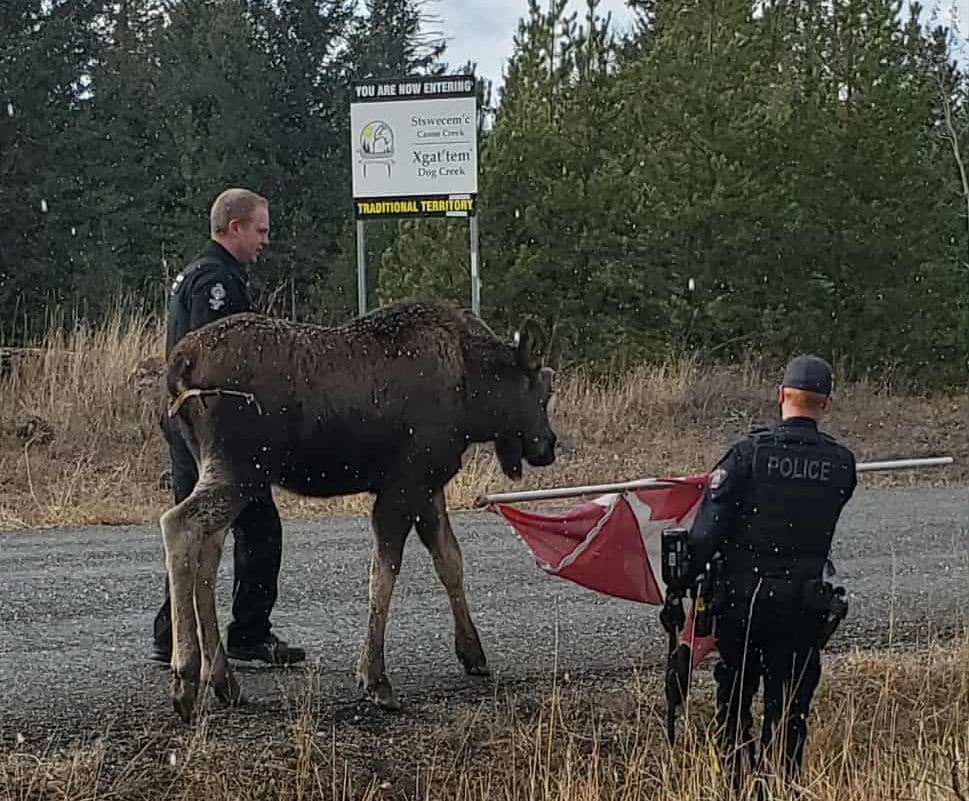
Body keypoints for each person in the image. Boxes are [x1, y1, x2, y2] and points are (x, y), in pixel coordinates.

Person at [670, 355, 857, 786]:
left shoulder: (747, 455)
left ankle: (737, 784)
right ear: (825, 404)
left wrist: (681, 583)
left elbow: (705, 535)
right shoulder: (840, 464)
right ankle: (784, 786)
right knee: (790, 710)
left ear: (781, 397)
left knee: (734, 703)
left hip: (744, 604)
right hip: (803, 607)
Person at [150, 187, 305, 666]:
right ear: (234, 227)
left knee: (195, 529)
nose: (265, 239)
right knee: (257, 529)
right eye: (260, 230)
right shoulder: (216, 283)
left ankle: (171, 633)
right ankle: (248, 634)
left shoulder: (197, 273)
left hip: (184, 421)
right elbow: (222, 361)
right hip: (219, 430)